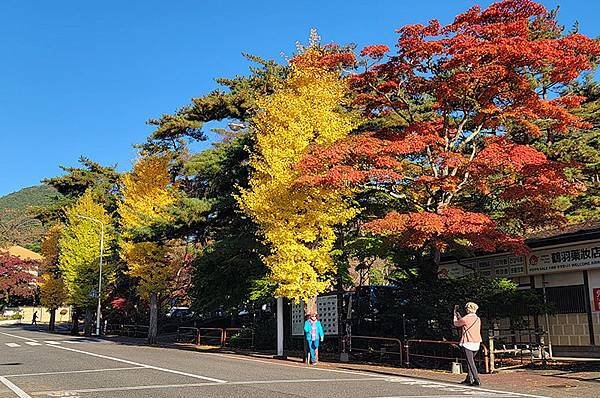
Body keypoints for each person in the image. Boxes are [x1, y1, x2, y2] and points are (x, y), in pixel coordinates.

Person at [453, 302, 482, 386]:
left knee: (470, 362)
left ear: (467, 309)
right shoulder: (478, 319)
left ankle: (476, 379)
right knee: (470, 361)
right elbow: (466, 323)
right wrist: (460, 317)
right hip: (477, 343)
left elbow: (456, 323)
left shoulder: (466, 318)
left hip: (468, 343)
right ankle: (469, 378)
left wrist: (455, 315)